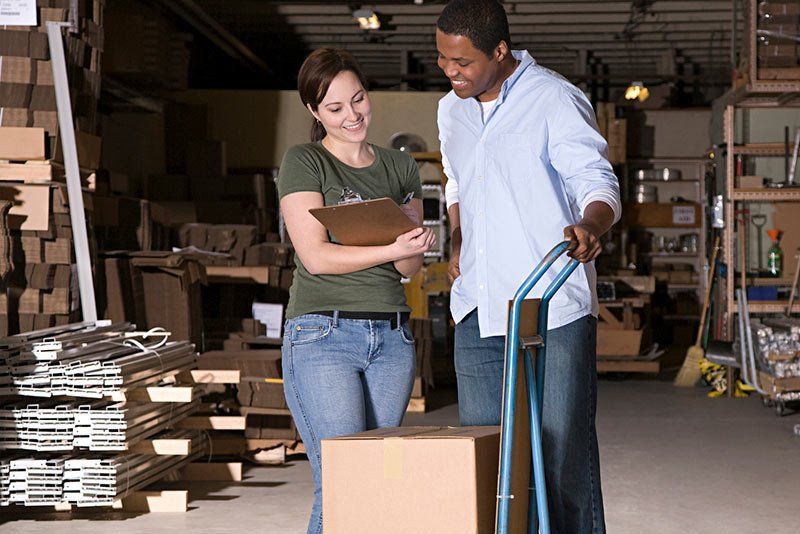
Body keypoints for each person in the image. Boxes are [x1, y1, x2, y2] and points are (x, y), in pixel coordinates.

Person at [435, 1, 621, 532]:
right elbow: (456, 181)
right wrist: (456, 238)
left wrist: (591, 224)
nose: (451, 72)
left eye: (462, 62)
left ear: (500, 51)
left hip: (551, 307)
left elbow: (597, 182)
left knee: (562, 460)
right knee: (489, 460)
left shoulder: (554, 99)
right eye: (443, 60)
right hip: (477, 306)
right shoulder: (451, 109)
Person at [277, 48, 436, 534]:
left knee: (373, 484)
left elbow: (408, 267)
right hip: (323, 335)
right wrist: (389, 247)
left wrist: (414, 246)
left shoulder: (400, 167)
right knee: (343, 483)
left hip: (391, 338)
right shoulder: (305, 161)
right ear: (313, 112)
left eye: (358, 100)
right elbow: (316, 258)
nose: (352, 115)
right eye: (335, 108)